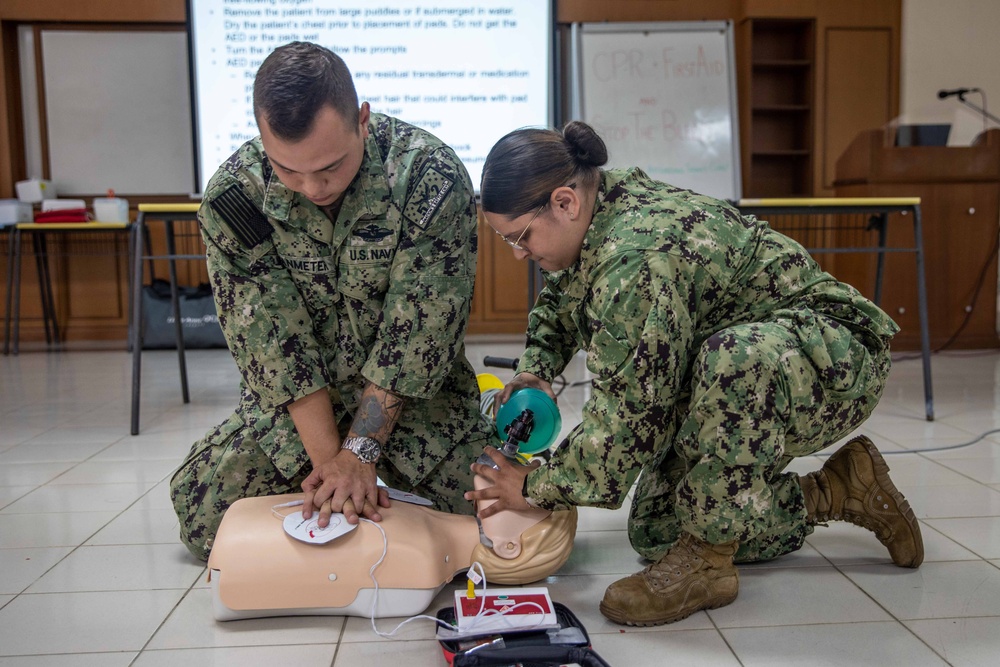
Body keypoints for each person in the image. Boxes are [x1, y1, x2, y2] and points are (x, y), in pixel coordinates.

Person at [466, 120, 923, 627]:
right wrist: (536, 372)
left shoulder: (634, 261)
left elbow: (628, 422)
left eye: (522, 237)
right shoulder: (600, 204)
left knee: (733, 358)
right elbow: (562, 287)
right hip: (756, 365)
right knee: (658, 530)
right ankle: (839, 489)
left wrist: (532, 488)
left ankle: (709, 562)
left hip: (831, 358)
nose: (517, 253)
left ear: (564, 202)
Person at [170, 41, 493, 562]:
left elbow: (416, 337)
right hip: (302, 413)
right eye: (288, 171)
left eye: (329, 167)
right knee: (201, 514)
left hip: (413, 404)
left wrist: (361, 450)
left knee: (500, 520)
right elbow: (275, 343)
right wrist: (335, 468)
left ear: (362, 120)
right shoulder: (236, 197)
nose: (310, 187)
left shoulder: (427, 176)